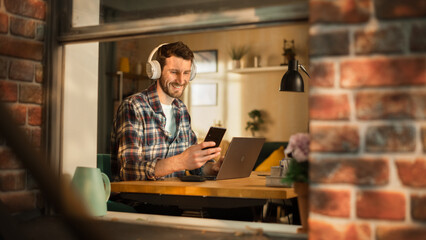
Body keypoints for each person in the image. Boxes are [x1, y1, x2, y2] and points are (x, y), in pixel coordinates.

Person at [110, 41, 222, 181]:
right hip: (138, 200)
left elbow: (195, 167)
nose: (181, 80)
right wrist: (180, 161)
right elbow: (128, 171)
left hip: (173, 197)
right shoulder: (134, 107)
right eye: (174, 72)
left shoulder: (181, 110)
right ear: (156, 71)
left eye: (186, 73)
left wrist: (213, 168)